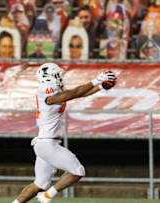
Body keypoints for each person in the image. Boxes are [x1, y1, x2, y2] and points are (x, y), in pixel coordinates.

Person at [12, 63, 116, 203]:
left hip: (45, 142)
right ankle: (47, 197)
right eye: (57, 74)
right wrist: (96, 80)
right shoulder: (45, 89)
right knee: (78, 171)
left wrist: (101, 87)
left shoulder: (55, 89)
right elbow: (74, 93)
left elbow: (80, 94)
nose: (60, 77)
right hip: (47, 143)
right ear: (49, 76)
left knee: (40, 184)